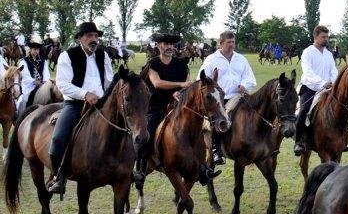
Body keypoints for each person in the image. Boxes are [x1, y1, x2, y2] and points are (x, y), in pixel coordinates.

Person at [134, 33, 219, 185]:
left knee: (200, 128)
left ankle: (202, 166)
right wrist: (179, 86)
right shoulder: (152, 63)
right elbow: (157, 83)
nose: (169, 47)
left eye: (171, 45)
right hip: (157, 104)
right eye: (165, 44)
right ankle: (140, 168)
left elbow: (187, 83)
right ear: (158, 46)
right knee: (147, 132)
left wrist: (180, 92)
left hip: (179, 103)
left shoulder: (181, 63)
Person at [47, 22, 114, 194]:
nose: (94, 39)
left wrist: (107, 96)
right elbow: (62, 84)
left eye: (96, 36)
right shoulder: (67, 56)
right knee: (58, 138)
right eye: (89, 36)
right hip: (76, 103)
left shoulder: (103, 55)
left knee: (126, 127)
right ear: (79, 38)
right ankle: (58, 176)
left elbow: (108, 82)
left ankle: (129, 168)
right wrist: (85, 94)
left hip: (100, 102)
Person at [198, 30, 257, 165]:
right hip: (219, 98)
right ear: (221, 43)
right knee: (219, 118)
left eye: (233, 42)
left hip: (239, 96)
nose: (231, 45)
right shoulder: (211, 59)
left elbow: (250, 78)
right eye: (228, 42)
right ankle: (215, 150)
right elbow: (201, 80)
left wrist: (244, 85)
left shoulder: (241, 59)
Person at [293, 25, 338, 156]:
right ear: (315, 37)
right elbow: (308, 72)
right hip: (310, 88)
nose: (326, 39)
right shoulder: (308, 52)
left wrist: (334, 83)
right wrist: (323, 83)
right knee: (303, 111)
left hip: (328, 89)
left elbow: (333, 70)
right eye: (323, 37)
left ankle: (339, 139)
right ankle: (299, 141)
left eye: (327, 37)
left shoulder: (329, 54)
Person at [16, 35, 49, 114]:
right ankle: (21, 115)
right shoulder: (23, 61)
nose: (36, 51)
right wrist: (34, 81)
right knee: (24, 99)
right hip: (29, 86)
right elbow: (25, 75)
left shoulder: (43, 61)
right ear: (30, 50)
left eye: (37, 49)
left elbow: (46, 74)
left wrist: (44, 82)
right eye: (34, 49)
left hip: (42, 86)